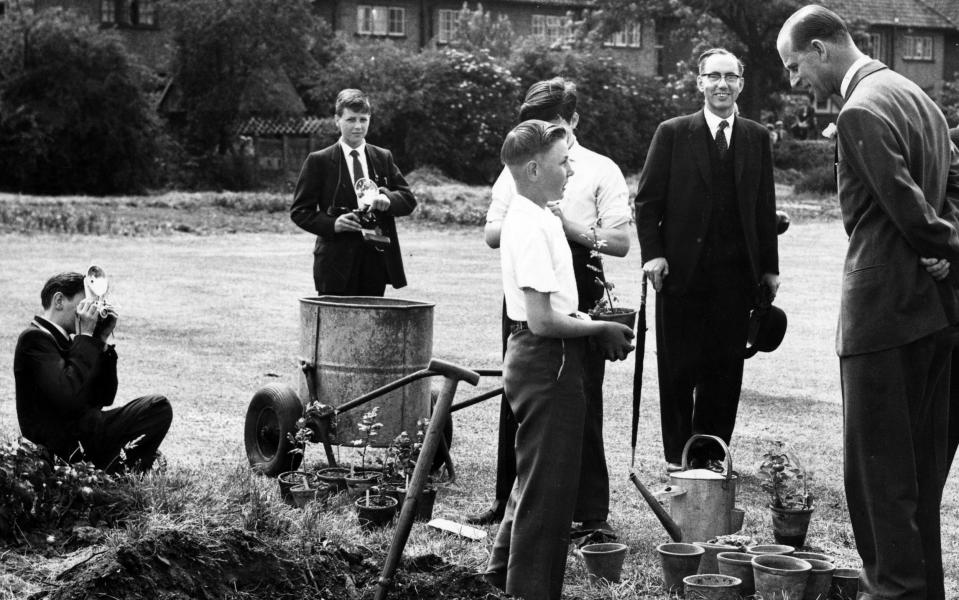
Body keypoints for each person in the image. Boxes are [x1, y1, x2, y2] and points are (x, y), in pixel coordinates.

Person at [777, 6, 959, 599]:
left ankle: (894, 592)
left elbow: (902, 202)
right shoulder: (916, 96)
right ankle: (920, 590)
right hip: (936, 313)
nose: (795, 80)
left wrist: (939, 242)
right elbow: (952, 186)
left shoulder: (860, 109)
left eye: (795, 65)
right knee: (919, 474)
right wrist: (949, 252)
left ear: (822, 47)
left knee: (877, 477)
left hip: (882, 315)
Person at [473, 78, 632, 539]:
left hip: (580, 285)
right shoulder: (523, 164)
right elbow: (492, 231)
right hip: (528, 285)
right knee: (524, 394)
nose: (545, 130)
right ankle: (510, 500)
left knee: (581, 397)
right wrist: (537, 223)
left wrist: (570, 227)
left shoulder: (601, 169)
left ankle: (590, 511)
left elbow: (620, 243)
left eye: (555, 123)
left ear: (574, 120)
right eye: (535, 122)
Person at [635, 48, 780, 473]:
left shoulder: (756, 137)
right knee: (678, 370)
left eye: (729, 77)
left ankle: (712, 456)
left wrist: (769, 268)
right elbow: (647, 202)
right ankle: (681, 456)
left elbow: (764, 206)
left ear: (741, 83)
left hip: (736, 279)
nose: (721, 84)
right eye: (713, 76)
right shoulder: (673, 132)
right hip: (681, 274)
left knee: (724, 370)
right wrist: (654, 255)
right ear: (698, 82)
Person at [14, 272, 173, 473]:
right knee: (157, 407)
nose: (90, 313)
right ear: (59, 301)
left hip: (85, 433)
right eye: (85, 304)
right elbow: (69, 396)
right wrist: (86, 338)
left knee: (157, 408)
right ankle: (108, 477)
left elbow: (104, 397)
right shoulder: (34, 339)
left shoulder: (72, 341)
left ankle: (111, 474)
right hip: (63, 447)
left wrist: (101, 339)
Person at [290, 88, 416, 296]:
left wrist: (388, 199)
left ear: (369, 120)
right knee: (336, 325)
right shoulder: (318, 161)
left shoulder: (383, 157)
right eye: (350, 120)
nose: (358, 126)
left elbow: (408, 200)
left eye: (363, 120)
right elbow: (300, 211)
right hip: (334, 263)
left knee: (370, 325)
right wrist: (333, 224)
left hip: (375, 260)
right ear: (337, 120)